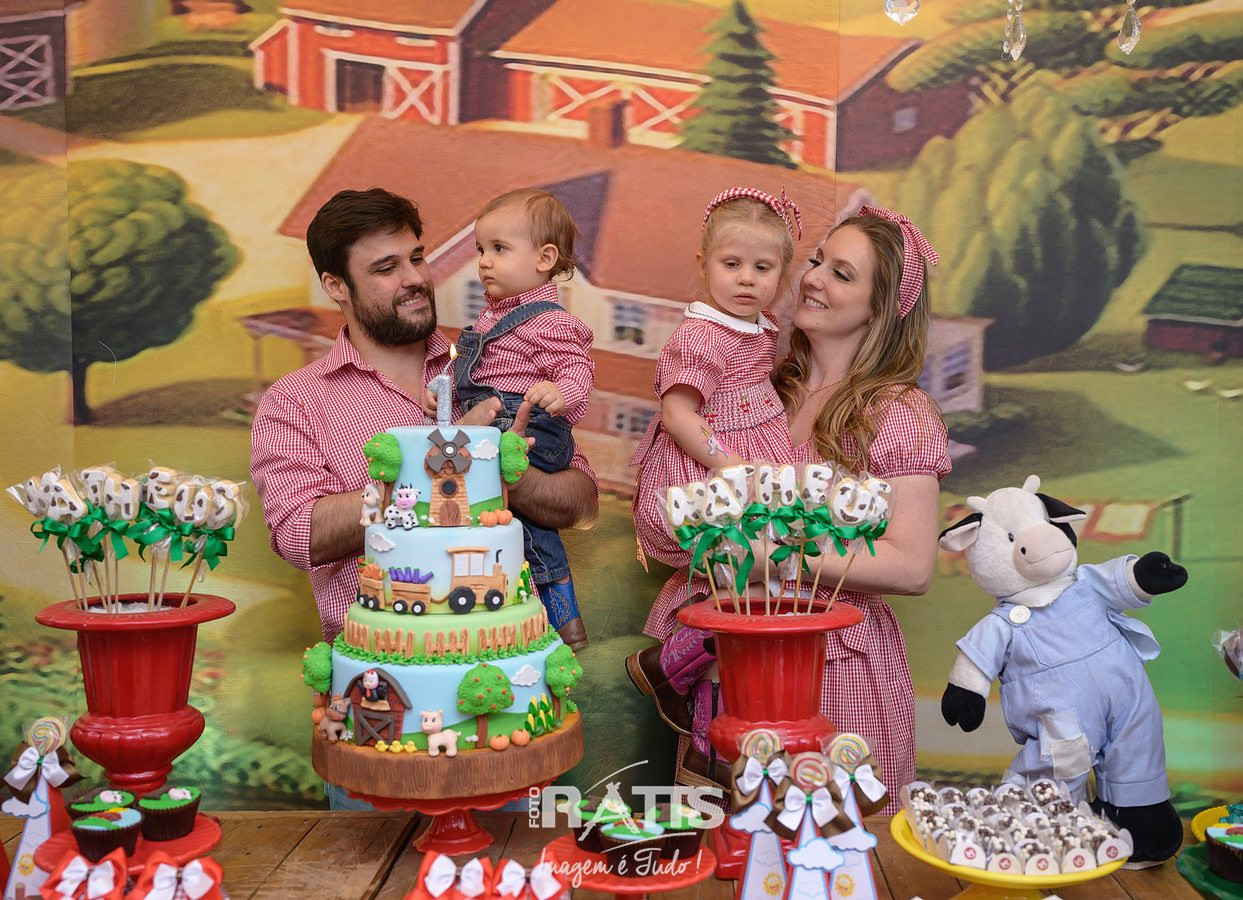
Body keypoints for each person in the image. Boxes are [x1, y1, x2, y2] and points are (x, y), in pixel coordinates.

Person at [628, 206, 949, 802]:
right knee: (729, 833)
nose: (814, 278)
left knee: (829, 835)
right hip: (733, 655)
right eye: (818, 260)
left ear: (879, 309)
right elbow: (688, 484)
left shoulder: (896, 413)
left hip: (834, 664)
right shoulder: (758, 390)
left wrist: (773, 554)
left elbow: (912, 566)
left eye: (842, 274)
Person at [250, 187, 599, 651]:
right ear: (336, 286)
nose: (414, 278)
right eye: (386, 268)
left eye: (417, 258)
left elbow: (583, 502)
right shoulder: (295, 401)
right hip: (391, 670)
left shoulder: (492, 362)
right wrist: (447, 459)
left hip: (517, 658)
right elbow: (300, 535)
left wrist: (504, 465)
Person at [437, 189, 594, 649]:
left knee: (524, 524)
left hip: (535, 427)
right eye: (480, 250)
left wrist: (561, 393)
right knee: (513, 524)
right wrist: (441, 390)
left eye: (499, 249)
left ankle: (562, 618)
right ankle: (538, 617)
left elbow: (578, 368)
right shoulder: (490, 317)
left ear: (544, 258)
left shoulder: (551, 321)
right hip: (498, 421)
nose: (484, 262)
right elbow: (470, 370)